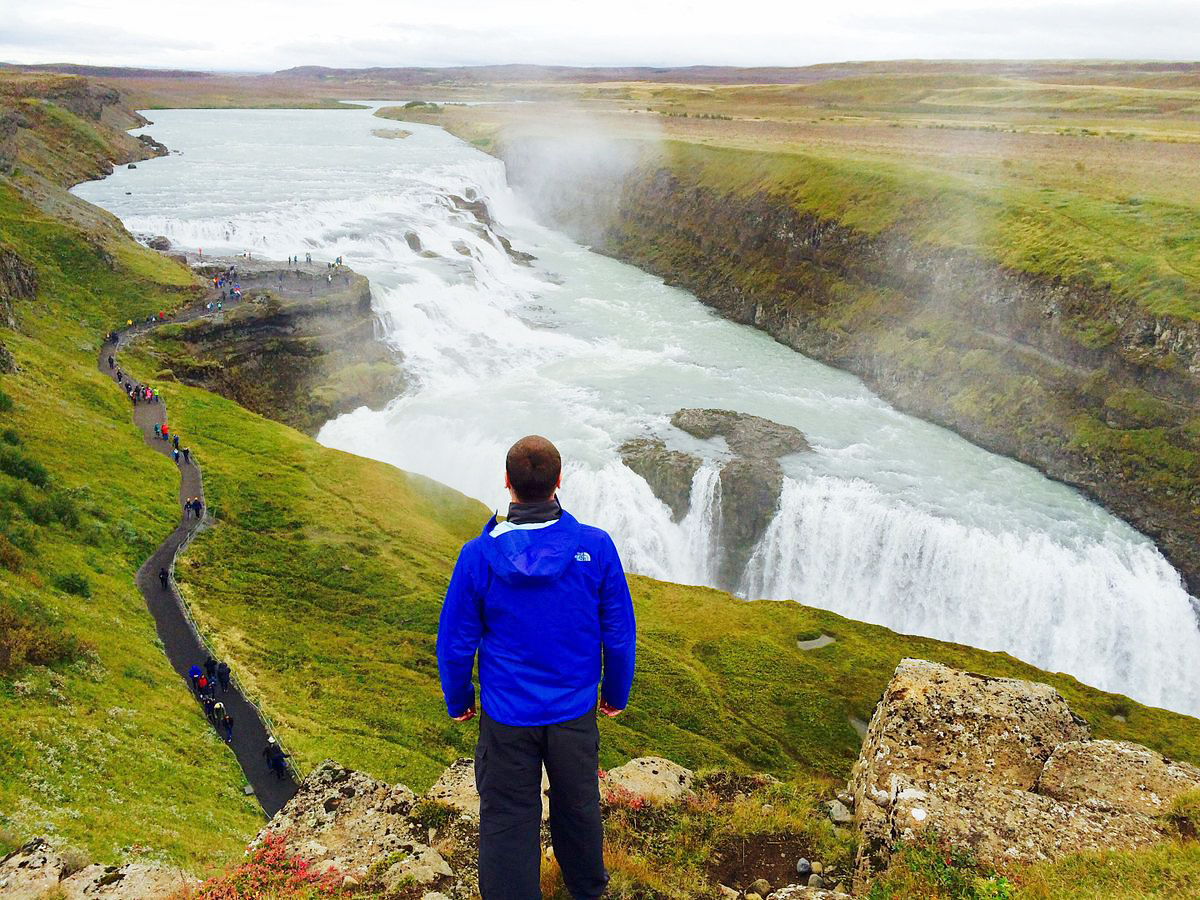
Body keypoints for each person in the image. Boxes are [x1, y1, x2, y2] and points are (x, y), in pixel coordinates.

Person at [437, 435, 636, 900]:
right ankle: (587, 889)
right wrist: (616, 693)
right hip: (574, 712)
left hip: (507, 717)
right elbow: (620, 634)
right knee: (579, 805)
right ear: (558, 482)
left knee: (507, 814)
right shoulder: (596, 547)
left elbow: (454, 643)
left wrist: (460, 700)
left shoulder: (477, 556)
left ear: (507, 484)